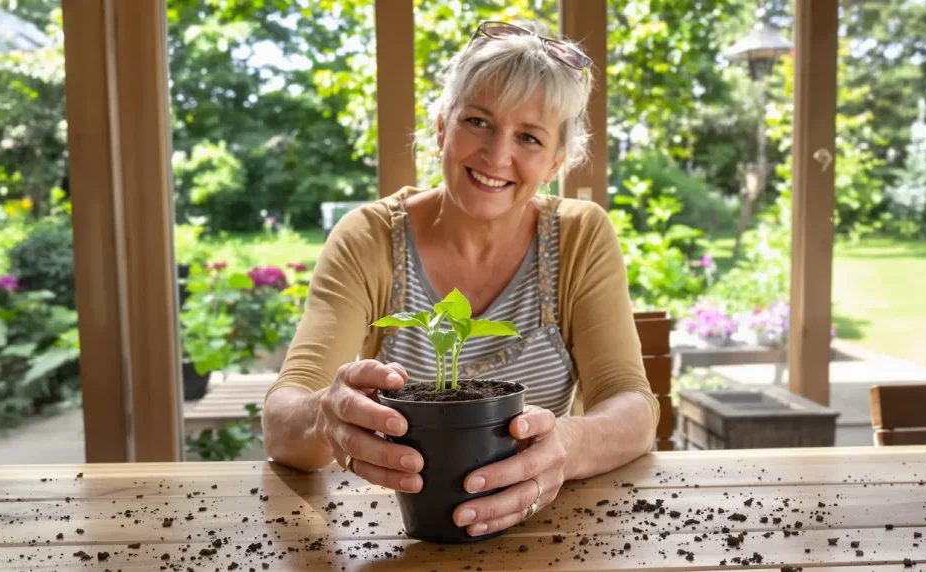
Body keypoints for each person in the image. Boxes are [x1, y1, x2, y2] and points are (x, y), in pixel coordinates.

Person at [262, 20, 659, 538]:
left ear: (558, 159)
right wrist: (325, 416)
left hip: (541, 532)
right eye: (477, 121)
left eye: (529, 137)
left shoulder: (580, 237)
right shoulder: (369, 237)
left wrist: (567, 442)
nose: (497, 156)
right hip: (400, 533)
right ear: (442, 127)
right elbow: (282, 419)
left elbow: (632, 406)